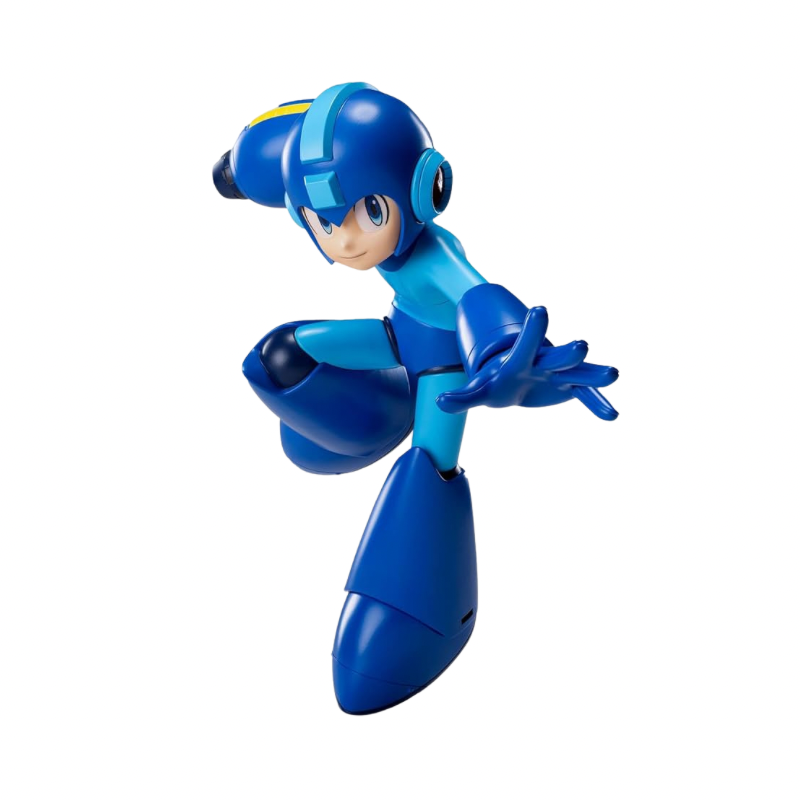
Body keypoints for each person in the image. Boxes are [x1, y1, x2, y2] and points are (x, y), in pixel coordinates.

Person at [213, 82, 619, 714]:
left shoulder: (434, 258)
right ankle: (368, 422)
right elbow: (263, 156)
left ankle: (419, 613)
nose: (347, 239)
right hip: (395, 338)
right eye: (324, 222)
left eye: (371, 212)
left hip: (443, 371)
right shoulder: (308, 168)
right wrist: (234, 173)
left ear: (424, 190)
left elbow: (478, 297)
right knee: (278, 359)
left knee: (426, 469)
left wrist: (504, 355)